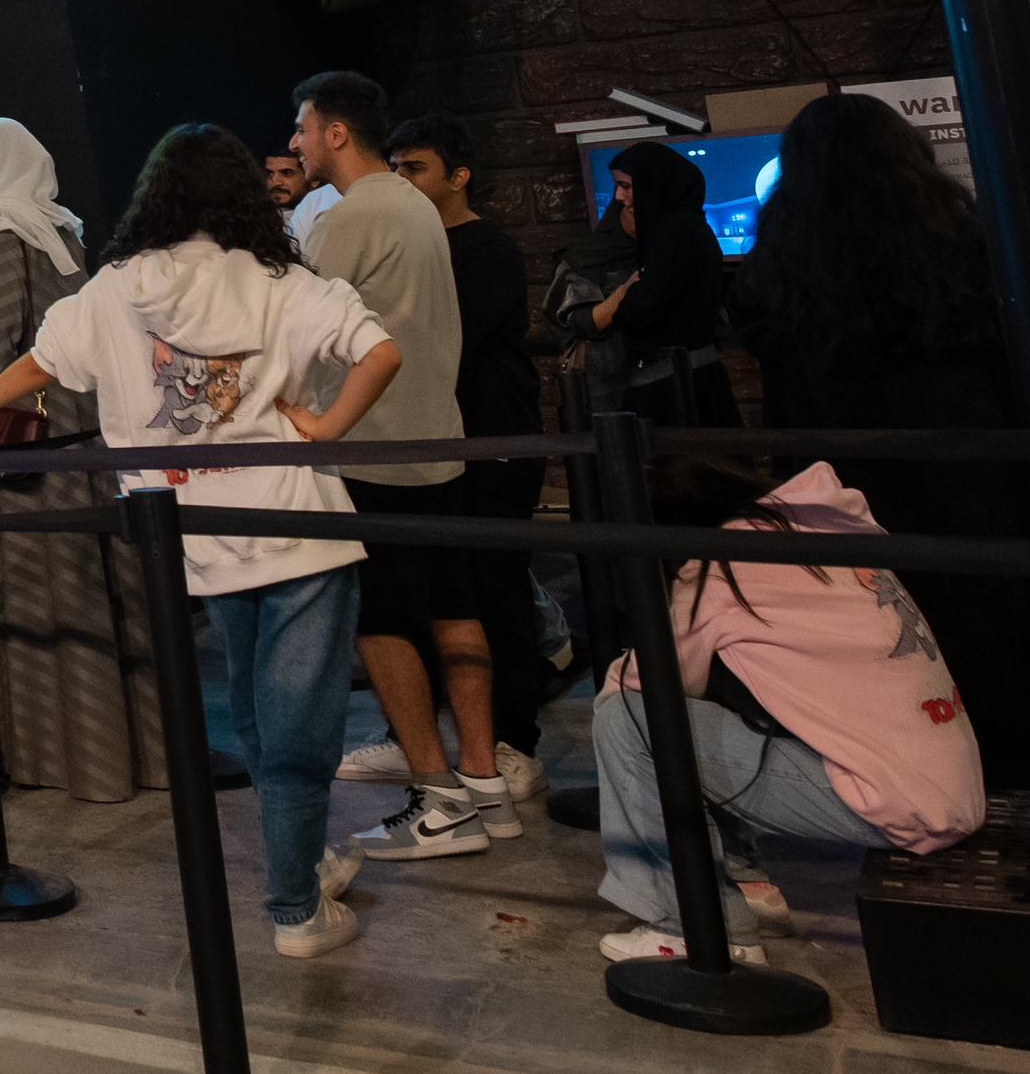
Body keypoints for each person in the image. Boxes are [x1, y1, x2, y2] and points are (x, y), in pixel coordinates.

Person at [0, 124, 403, 958]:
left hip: (191, 534)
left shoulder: (116, 288)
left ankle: (306, 860)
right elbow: (380, 352)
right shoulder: (283, 281)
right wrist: (324, 429)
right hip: (297, 528)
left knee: (257, 712)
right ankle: (295, 904)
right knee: (303, 720)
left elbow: (38, 362)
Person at [736, 91, 1030, 787]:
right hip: (972, 463)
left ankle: (905, 771)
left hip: (844, 476)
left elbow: (761, 339)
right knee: (988, 619)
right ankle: (1013, 766)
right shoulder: (962, 236)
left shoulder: (782, 256)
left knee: (881, 630)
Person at [587, 458, 985, 964]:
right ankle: (749, 884)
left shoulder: (727, 561)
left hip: (901, 802)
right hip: (946, 784)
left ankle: (695, 926)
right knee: (719, 701)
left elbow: (655, 679)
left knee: (630, 719)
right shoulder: (815, 530)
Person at [290, 72, 493, 868]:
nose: (298, 142)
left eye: (302, 128)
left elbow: (300, 331)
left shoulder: (352, 216)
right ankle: (482, 779)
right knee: (451, 602)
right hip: (436, 437)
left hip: (371, 444)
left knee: (380, 622)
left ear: (336, 131)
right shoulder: (414, 202)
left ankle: (439, 797)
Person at [0, 117, 157, 803]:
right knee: (95, 588)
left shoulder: (0, 234)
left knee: (43, 588)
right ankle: (125, 751)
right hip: (82, 437)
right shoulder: (60, 232)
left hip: (25, 452)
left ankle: (58, 758)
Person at [381, 116, 550, 794]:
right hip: (428, 439)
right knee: (426, 590)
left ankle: (516, 743)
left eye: (415, 168)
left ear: (458, 176)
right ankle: (419, 737)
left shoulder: (488, 250)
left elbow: (450, 340)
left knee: (496, 587)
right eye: (393, 168)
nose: (402, 182)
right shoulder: (406, 246)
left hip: (491, 437)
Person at [579, 142, 739, 427]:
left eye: (626, 186)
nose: (619, 197)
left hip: (676, 386)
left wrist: (627, 304)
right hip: (692, 379)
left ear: (653, 183)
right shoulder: (690, 227)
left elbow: (642, 311)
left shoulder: (674, 232)